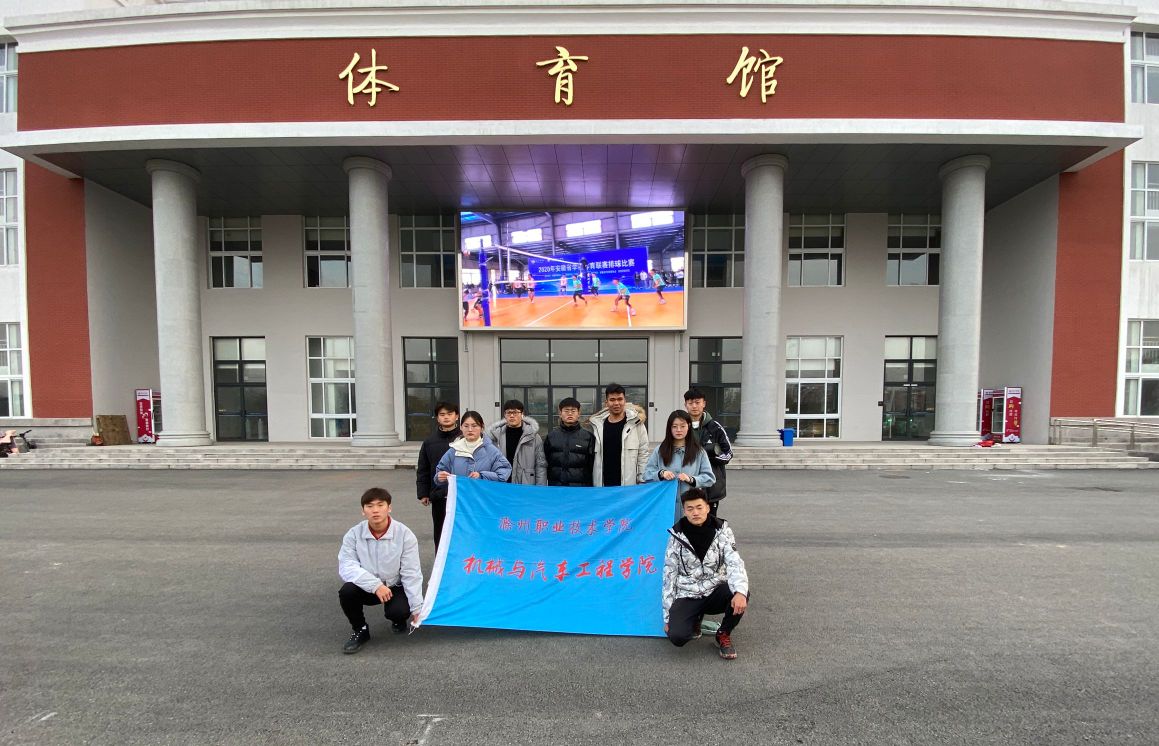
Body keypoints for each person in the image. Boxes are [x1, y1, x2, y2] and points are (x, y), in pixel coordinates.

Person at [662, 488, 749, 660]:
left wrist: (740, 591)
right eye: (690, 508)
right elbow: (669, 575)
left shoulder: (722, 530)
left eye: (699, 507)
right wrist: (667, 617)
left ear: (708, 508)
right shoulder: (676, 535)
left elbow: (735, 562)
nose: (695, 512)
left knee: (740, 593)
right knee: (677, 637)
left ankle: (723, 633)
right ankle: (695, 618)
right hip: (688, 593)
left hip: (715, 588)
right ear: (684, 511)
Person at [337, 487, 424, 655]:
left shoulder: (405, 534)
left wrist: (417, 608)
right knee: (347, 591)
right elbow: (347, 566)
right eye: (369, 506)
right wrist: (375, 585)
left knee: (399, 611)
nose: (375, 510)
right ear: (363, 511)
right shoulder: (353, 534)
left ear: (389, 507)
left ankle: (398, 619)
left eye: (380, 505)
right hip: (368, 586)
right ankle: (360, 629)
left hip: (394, 586)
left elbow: (411, 572)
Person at [642, 409, 716, 502]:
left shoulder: (699, 451)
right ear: (669, 428)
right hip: (665, 502)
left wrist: (691, 479)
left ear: (689, 426)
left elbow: (709, 478)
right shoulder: (660, 450)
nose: (679, 430)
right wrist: (661, 473)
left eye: (682, 426)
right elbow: (646, 475)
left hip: (689, 504)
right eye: (674, 426)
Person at [415, 401, 461, 550]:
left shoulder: (464, 438)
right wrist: (423, 493)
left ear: (457, 416)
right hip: (439, 495)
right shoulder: (430, 442)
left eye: (450, 414)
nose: (446, 417)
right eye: (442, 414)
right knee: (441, 533)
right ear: (437, 418)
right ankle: (440, 563)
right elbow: (423, 469)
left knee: (461, 532)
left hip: (462, 495)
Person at [683, 388, 733, 516]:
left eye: (697, 402)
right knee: (688, 519)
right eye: (690, 403)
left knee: (709, 520)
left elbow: (728, 454)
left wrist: (707, 457)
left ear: (704, 403)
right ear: (685, 405)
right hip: (686, 483)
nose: (694, 406)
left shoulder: (715, 427)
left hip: (711, 486)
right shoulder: (680, 426)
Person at [590, 383, 650, 486]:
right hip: (603, 487)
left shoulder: (637, 425)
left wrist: (642, 480)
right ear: (606, 403)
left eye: (620, 399)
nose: (616, 403)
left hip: (628, 487)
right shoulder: (597, 426)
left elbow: (643, 455)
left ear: (625, 401)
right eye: (612, 400)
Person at [434, 410, 512, 487]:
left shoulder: (491, 451)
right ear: (461, 427)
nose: (470, 430)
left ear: (482, 427)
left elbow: (503, 473)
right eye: (466, 426)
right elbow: (439, 473)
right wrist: (439, 477)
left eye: (474, 426)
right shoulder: (454, 450)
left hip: (483, 494)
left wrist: (481, 476)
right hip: (460, 495)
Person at [486, 399, 547, 486]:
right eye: (508, 412)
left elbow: (540, 465)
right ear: (504, 415)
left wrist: (540, 488)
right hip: (501, 484)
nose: (511, 416)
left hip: (525, 484)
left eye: (515, 412)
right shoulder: (495, 436)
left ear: (522, 414)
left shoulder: (533, 437)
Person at [543, 396, 596, 486]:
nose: (570, 413)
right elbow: (545, 463)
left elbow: (593, 465)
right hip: (556, 487)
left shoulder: (588, 437)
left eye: (573, 411)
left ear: (579, 413)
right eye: (566, 411)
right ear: (560, 413)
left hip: (581, 488)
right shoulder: (551, 436)